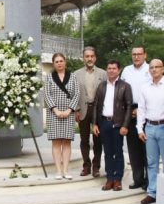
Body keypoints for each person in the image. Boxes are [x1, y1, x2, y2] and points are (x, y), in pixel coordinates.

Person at [136, 59, 164, 204]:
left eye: (157, 67)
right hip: (150, 128)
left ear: (163, 69)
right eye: (151, 67)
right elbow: (141, 109)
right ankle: (152, 192)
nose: (154, 70)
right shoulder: (145, 87)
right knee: (152, 163)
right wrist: (140, 128)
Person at [92, 60, 133, 191]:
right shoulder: (102, 86)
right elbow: (96, 106)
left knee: (118, 152)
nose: (111, 70)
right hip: (104, 123)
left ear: (119, 70)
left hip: (118, 124)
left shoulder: (125, 86)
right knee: (108, 153)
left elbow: (128, 107)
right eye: (109, 68)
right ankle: (109, 178)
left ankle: (118, 179)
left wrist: (125, 125)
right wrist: (95, 124)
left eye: (114, 68)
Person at [44, 53, 80, 179]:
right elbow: (47, 95)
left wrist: (69, 110)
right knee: (56, 142)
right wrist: (56, 110)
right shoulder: (49, 77)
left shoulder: (73, 77)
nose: (59, 63)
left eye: (61, 61)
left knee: (66, 142)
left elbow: (76, 94)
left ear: (65, 62)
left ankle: (66, 170)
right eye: (56, 61)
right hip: (54, 114)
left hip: (69, 113)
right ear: (53, 64)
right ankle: (58, 171)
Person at [73, 47, 107, 177]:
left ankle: (96, 167)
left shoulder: (103, 74)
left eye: (92, 56)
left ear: (95, 58)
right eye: (87, 56)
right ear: (83, 58)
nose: (89, 59)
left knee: (98, 140)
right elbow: (74, 93)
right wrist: (76, 109)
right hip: (83, 108)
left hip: (98, 110)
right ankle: (86, 166)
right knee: (84, 139)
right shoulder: (76, 74)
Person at [120, 46, 151, 190]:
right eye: (134, 54)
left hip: (147, 113)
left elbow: (153, 91)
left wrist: (141, 110)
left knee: (147, 150)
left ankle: (149, 181)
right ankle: (137, 179)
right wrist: (130, 110)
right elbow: (121, 91)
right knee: (133, 149)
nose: (136, 57)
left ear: (145, 55)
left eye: (139, 54)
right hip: (130, 111)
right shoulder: (126, 70)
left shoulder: (151, 69)